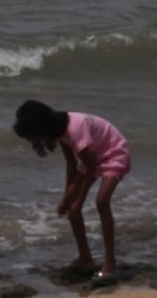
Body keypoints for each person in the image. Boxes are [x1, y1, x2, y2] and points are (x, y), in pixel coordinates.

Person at [13, 99, 131, 284]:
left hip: (113, 152)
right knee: (71, 210)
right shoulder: (59, 129)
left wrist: (79, 200)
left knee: (101, 201)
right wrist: (67, 198)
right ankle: (85, 258)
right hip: (92, 156)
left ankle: (110, 261)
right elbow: (72, 164)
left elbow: (90, 166)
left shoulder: (74, 129)